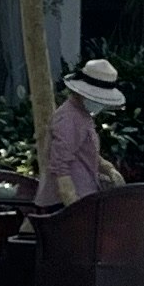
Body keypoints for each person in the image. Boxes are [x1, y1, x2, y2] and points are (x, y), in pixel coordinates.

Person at [41, 56, 128, 205]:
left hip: (87, 196)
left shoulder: (83, 115)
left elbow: (85, 152)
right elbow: (60, 167)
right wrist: (73, 204)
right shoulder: (68, 118)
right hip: (67, 205)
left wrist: (108, 168)